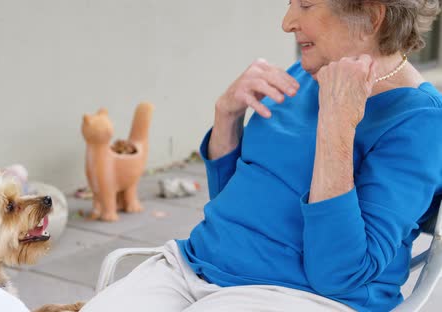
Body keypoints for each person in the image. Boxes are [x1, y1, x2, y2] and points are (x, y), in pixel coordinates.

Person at [80, 1, 442, 311]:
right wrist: (227, 116)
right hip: (194, 265)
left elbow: (339, 273)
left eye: (306, 4)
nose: (287, 22)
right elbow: (232, 205)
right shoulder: (302, 74)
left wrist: (337, 124)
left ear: (371, 16)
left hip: (299, 295)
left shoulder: (420, 122)